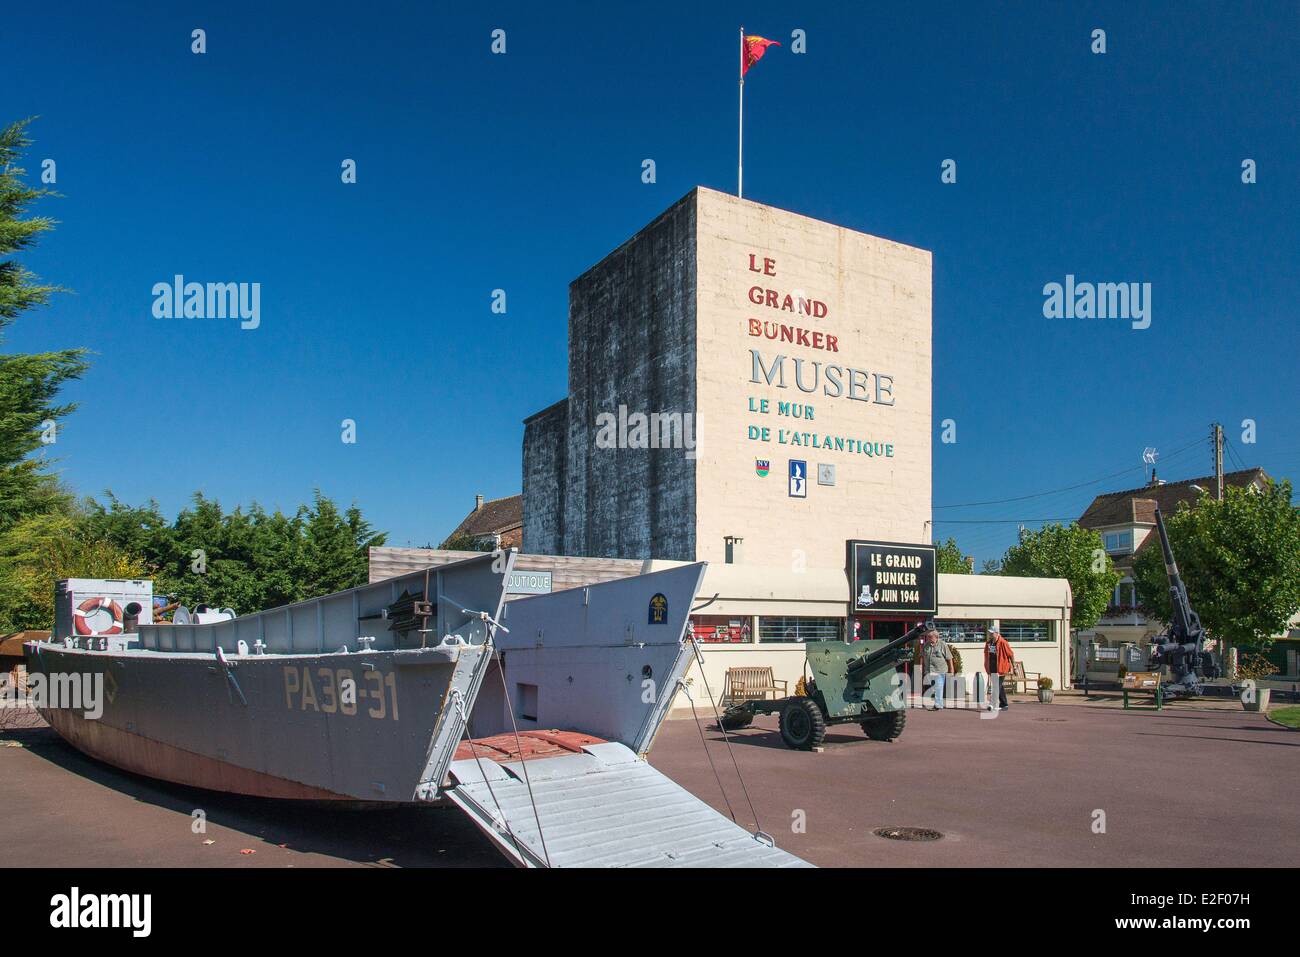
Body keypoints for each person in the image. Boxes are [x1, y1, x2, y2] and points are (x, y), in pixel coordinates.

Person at [921, 629, 952, 710]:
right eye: (928, 637)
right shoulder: (926, 645)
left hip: (940, 670)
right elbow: (922, 657)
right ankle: (939, 703)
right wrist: (921, 667)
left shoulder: (942, 644)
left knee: (939, 687)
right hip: (929, 671)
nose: (928, 638)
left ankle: (938, 705)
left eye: (930, 637)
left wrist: (951, 670)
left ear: (936, 637)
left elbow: (949, 658)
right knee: (934, 688)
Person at [984, 629, 1014, 711]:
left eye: (991, 633)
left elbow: (1011, 654)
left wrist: (1014, 667)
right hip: (992, 668)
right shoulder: (988, 643)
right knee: (999, 687)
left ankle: (992, 704)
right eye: (989, 633)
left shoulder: (1003, 642)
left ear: (997, 633)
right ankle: (1004, 704)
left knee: (996, 686)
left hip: (1001, 669)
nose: (990, 634)